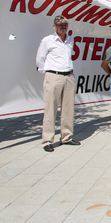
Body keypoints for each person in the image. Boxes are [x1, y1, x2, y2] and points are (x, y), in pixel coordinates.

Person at [35, 15, 79, 152]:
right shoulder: (48, 40)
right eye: (60, 25)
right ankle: (47, 140)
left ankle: (66, 137)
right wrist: (48, 73)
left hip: (69, 76)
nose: (63, 27)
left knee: (68, 109)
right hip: (54, 75)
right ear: (55, 27)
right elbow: (40, 59)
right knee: (51, 109)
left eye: (65, 25)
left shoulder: (70, 39)